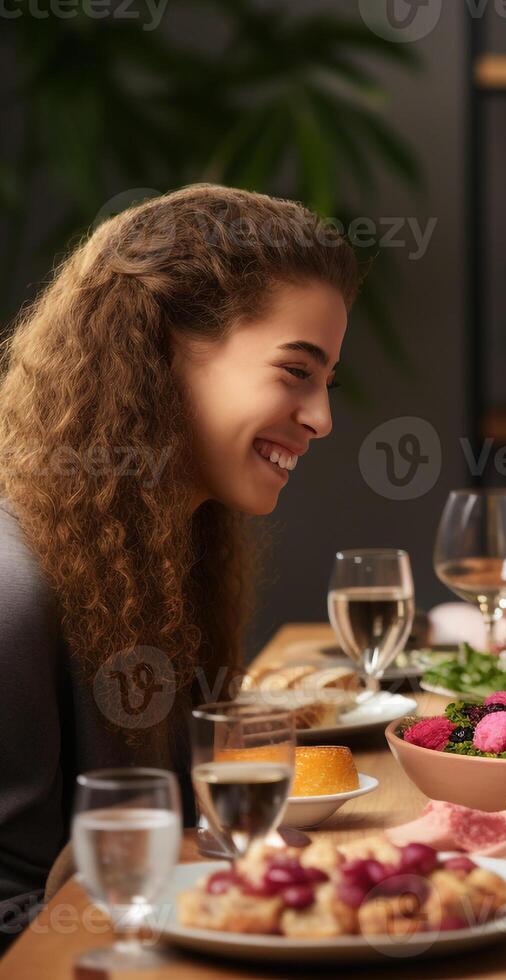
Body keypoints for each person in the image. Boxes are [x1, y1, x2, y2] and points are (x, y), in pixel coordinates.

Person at [0, 185, 358, 939]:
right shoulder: (13, 591)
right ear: (159, 349)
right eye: (296, 371)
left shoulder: (159, 550)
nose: (322, 419)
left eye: (327, 382)